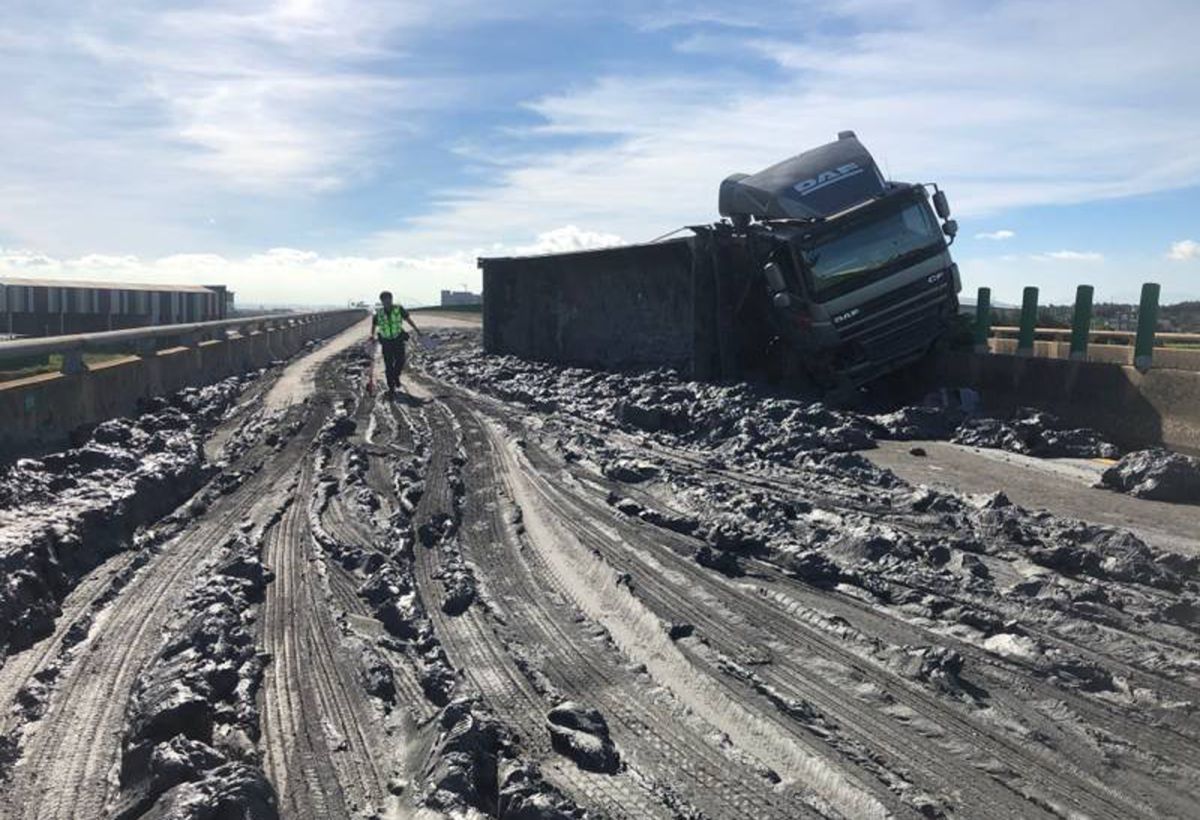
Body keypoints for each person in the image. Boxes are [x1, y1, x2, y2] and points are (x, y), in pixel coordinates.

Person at [370, 291, 422, 396]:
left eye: (388, 299)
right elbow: (374, 326)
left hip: (398, 339)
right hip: (386, 341)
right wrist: (372, 335)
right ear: (382, 301)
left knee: (400, 360)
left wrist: (417, 330)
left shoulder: (398, 309)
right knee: (388, 365)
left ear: (391, 299)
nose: (387, 302)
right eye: (384, 300)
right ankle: (391, 387)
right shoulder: (379, 313)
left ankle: (396, 376)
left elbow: (408, 320)